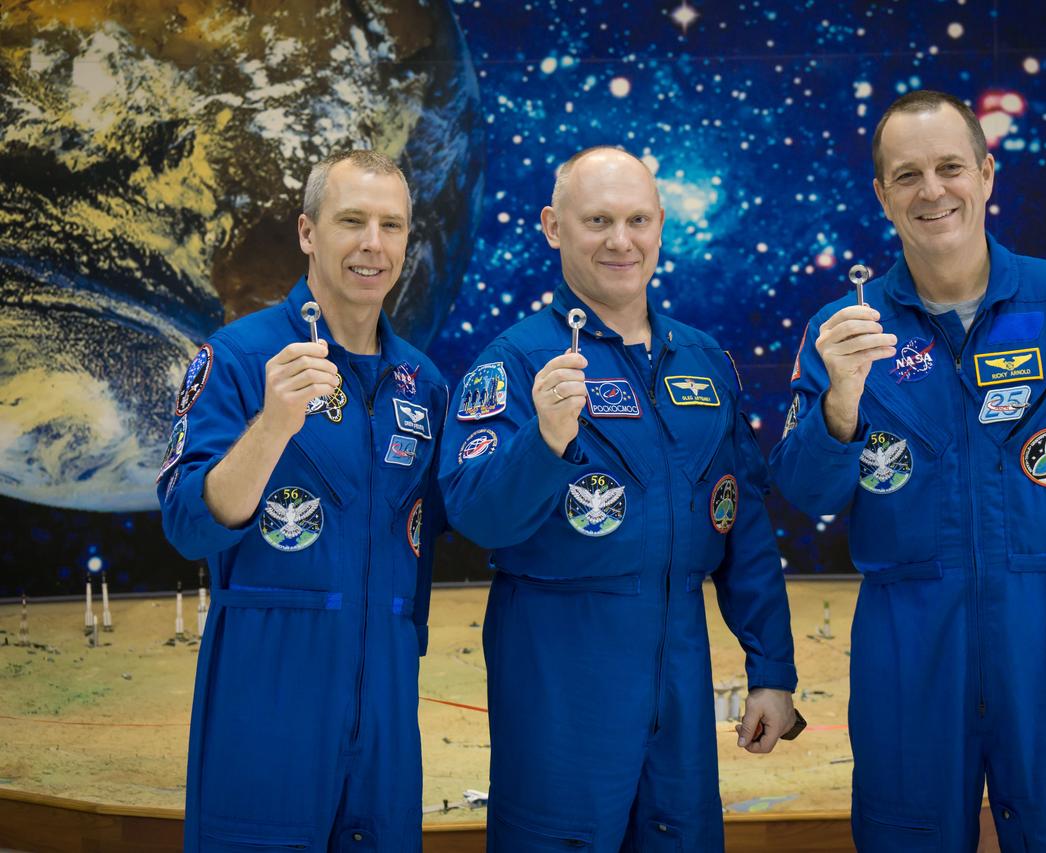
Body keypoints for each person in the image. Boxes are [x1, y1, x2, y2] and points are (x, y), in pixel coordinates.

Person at [770, 91, 1046, 851]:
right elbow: (805, 494)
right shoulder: (845, 332)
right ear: (882, 195)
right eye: (908, 175)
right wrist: (841, 402)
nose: (932, 190)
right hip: (907, 632)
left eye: (950, 167)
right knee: (908, 832)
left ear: (987, 174)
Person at [439, 146, 799, 851]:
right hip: (559, 671)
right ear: (552, 226)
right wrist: (542, 441)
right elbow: (476, 515)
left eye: (637, 219)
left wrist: (771, 670)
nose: (620, 240)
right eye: (597, 220)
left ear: (661, 224)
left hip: (678, 669)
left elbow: (743, 527)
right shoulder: (514, 362)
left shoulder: (703, 362)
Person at [157, 150, 448, 850]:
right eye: (351, 221)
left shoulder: (423, 383)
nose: (372, 245)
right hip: (268, 696)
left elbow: (422, 545)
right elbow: (187, 524)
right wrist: (273, 424)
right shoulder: (236, 357)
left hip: (385, 702)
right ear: (308, 232)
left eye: (392, 225)